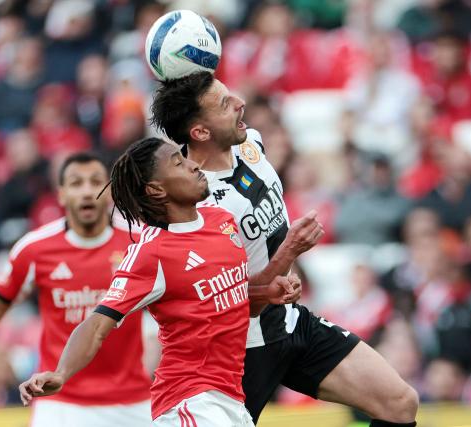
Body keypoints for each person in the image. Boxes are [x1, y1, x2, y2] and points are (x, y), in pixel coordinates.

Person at [150, 71, 419, 427]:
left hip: (290, 323)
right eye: (224, 104)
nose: (239, 103)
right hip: (238, 351)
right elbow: (234, 301)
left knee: (399, 403)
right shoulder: (197, 207)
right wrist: (289, 252)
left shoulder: (252, 144)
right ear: (200, 132)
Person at [18, 137, 301, 426]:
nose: (193, 165)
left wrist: (266, 292)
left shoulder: (221, 220)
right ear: (156, 189)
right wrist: (61, 373)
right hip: (190, 401)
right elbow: (96, 324)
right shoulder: (151, 252)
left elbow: (223, 296)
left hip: (228, 397)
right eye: (179, 163)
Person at [0, 152, 152, 426]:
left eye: (96, 182)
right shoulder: (35, 249)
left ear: (110, 193)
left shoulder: (140, 243)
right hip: (60, 402)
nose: (86, 191)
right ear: (61, 195)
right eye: (76, 183)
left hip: (131, 401)